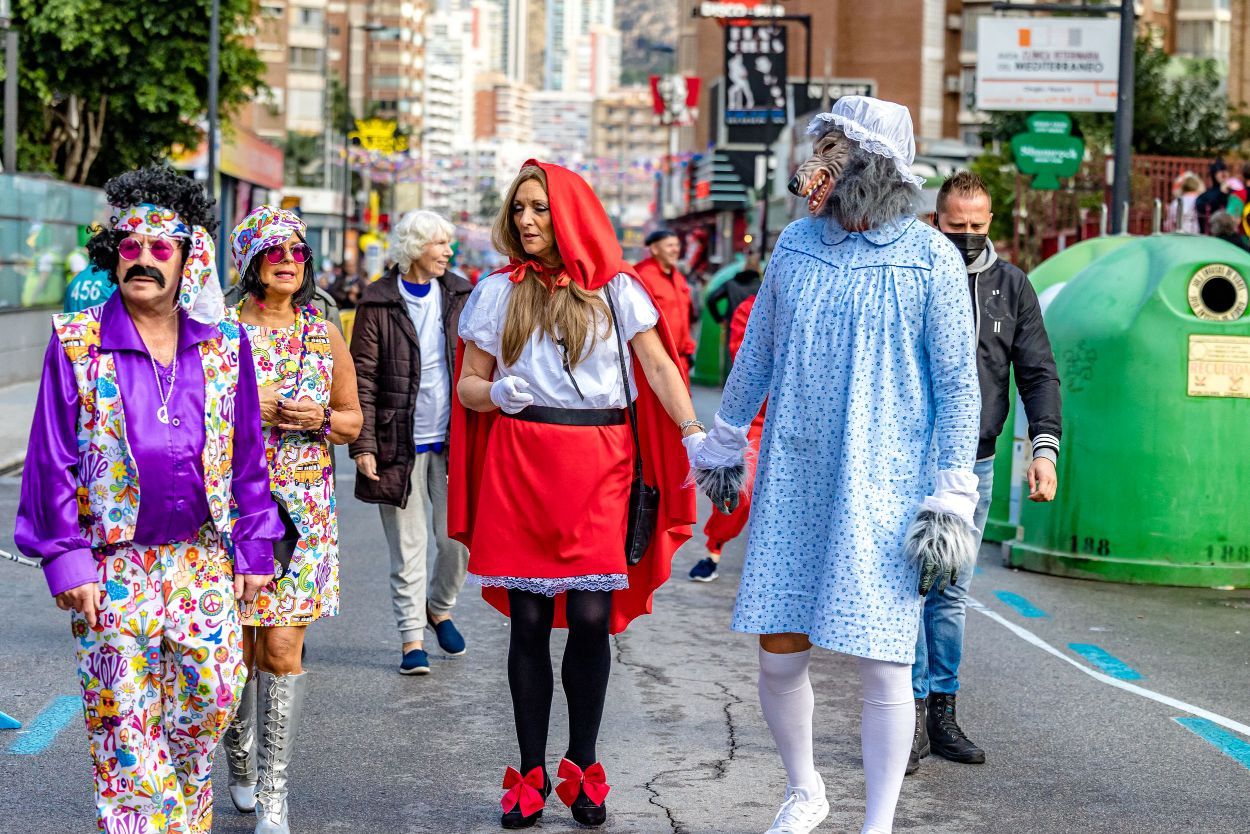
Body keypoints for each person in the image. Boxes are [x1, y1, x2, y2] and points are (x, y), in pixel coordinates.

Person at [686, 97, 981, 834]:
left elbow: (957, 384)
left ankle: (877, 821)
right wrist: (724, 437)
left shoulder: (930, 258)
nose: (813, 167)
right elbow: (757, 352)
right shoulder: (795, 245)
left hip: (885, 487)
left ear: (871, 167)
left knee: (883, 665)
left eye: (830, 151)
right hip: (795, 477)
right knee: (780, 653)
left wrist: (952, 488)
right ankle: (804, 789)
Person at [13, 165, 281, 834]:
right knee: (125, 729)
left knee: (213, 701)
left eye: (162, 248)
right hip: (113, 567)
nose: (144, 258)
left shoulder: (225, 346)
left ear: (189, 259)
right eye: (130, 245)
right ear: (114, 254)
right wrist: (67, 560)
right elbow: (51, 459)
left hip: (202, 559)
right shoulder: (77, 342)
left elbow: (248, 458)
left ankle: (182, 814)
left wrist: (253, 550)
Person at [449, 160, 698, 829]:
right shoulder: (497, 290)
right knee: (528, 623)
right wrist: (494, 393)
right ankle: (529, 770)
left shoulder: (619, 289)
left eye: (540, 209)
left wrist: (694, 433)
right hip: (519, 458)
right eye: (520, 209)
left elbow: (658, 367)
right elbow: (470, 385)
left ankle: (582, 765)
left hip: (601, 462)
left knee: (590, 619)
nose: (527, 221)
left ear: (571, 214)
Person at [911, 171, 1061, 774]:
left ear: (991, 222)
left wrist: (1044, 451)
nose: (967, 236)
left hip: (977, 460)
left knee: (951, 590)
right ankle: (908, 714)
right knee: (907, 586)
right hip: (911, 458)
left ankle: (942, 714)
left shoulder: (1011, 286)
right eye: (955, 227)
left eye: (977, 226)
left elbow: (1038, 374)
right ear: (935, 222)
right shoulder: (914, 277)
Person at [219, 206, 362, 834]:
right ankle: (240, 760)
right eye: (273, 249)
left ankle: (275, 795)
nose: (287, 260)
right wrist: (251, 409)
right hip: (226, 508)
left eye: (297, 251)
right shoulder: (218, 330)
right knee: (235, 651)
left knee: (280, 647)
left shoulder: (322, 331)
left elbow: (354, 420)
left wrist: (315, 420)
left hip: (303, 514)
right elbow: (182, 415)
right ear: (250, 258)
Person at [350, 209, 474, 675]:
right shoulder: (378, 300)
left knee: (457, 540)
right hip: (395, 442)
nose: (448, 252)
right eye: (439, 244)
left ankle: (439, 607)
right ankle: (412, 641)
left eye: (448, 244)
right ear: (414, 247)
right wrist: (363, 444)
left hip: (451, 441)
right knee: (409, 547)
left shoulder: (463, 294)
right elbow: (361, 375)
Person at [687, 291, 764, 582]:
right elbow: (746, 360)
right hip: (756, 417)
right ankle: (714, 548)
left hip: (805, 418)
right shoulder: (751, 307)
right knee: (742, 489)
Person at [634, 229, 696, 373]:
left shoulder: (678, 277)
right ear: (655, 249)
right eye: (669, 245)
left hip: (681, 359)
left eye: (677, 245)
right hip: (654, 363)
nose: (676, 250)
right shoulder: (642, 276)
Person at [704, 252, 762, 327]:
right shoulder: (762, 287)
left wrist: (720, 320)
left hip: (732, 327)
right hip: (753, 328)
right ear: (759, 269)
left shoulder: (730, 283)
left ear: (744, 267)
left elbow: (711, 299)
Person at [1195, 159, 1231, 234]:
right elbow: (1201, 210)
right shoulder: (1205, 196)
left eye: (1225, 170)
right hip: (1210, 235)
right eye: (1220, 171)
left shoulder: (1234, 193)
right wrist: (1221, 194)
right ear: (1214, 175)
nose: (1223, 174)